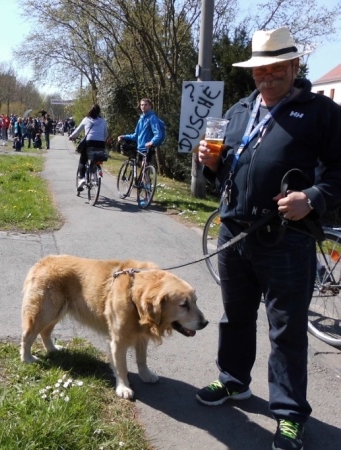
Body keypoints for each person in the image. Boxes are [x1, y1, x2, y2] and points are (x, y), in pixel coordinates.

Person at [196, 27, 341, 450]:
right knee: (235, 316)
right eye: (260, 70)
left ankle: (290, 414)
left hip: (287, 239)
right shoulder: (240, 110)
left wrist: (311, 198)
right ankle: (233, 380)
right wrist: (211, 164)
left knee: (286, 330)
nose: (267, 77)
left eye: (276, 68)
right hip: (234, 233)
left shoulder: (321, 112)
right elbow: (227, 173)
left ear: (295, 66)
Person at [68, 104, 109, 192]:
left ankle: (82, 178)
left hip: (89, 142)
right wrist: (102, 140)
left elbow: (78, 130)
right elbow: (106, 134)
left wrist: (71, 136)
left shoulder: (86, 119)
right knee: (96, 159)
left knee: (82, 161)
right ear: (99, 112)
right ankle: (94, 171)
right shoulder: (103, 121)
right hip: (100, 144)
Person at [117, 97, 164, 165]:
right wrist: (124, 136)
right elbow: (135, 135)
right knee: (140, 165)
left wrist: (151, 142)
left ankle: (146, 172)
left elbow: (158, 134)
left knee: (145, 165)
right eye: (142, 105)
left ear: (150, 106)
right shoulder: (141, 119)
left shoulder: (152, 118)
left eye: (146, 105)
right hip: (140, 148)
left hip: (148, 148)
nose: (143, 106)